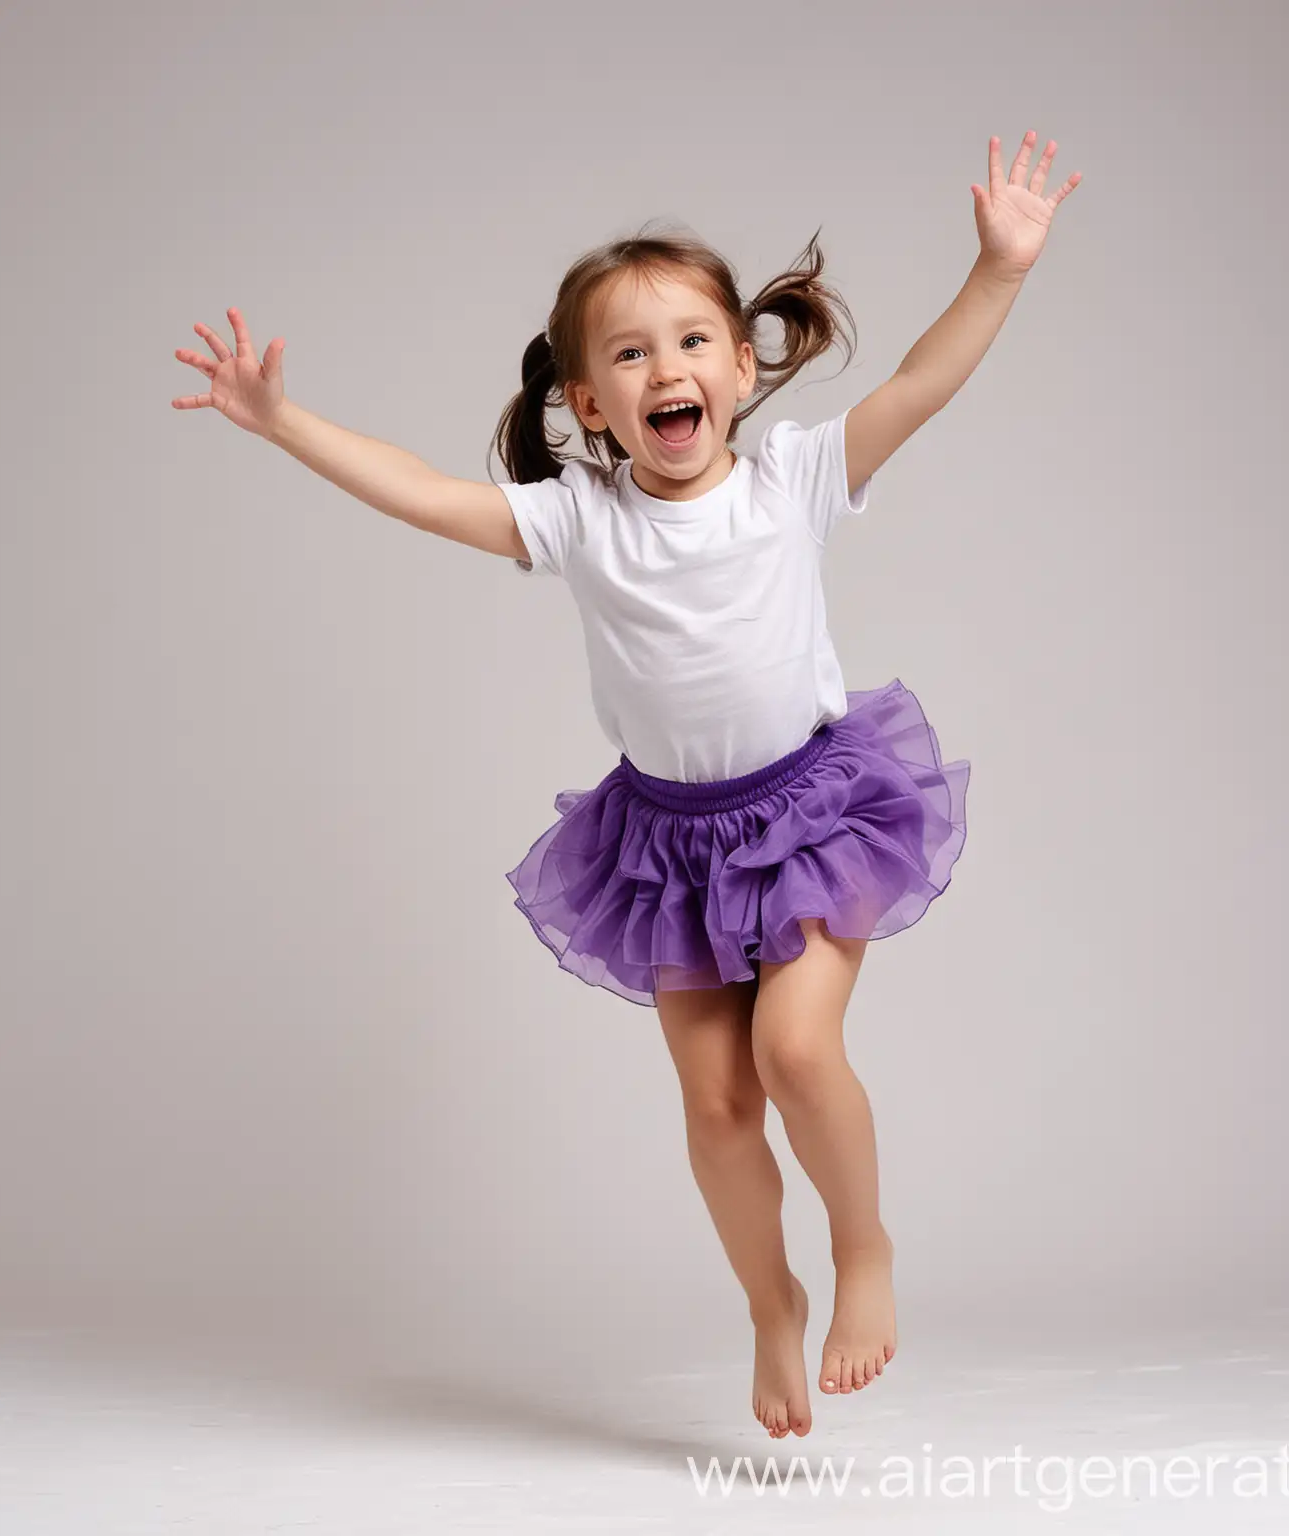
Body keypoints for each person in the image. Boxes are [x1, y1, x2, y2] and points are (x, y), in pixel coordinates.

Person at [172, 131, 1080, 1440]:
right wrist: (280, 421)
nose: (669, 368)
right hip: (670, 845)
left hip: (813, 812)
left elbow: (923, 383)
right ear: (590, 403)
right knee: (716, 1109)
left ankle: (863, 1248)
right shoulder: (579, 517)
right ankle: (769, 1302)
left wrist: (999, 270)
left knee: (793, 1046)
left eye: (693, 341)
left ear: (743, 364)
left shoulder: (791, 477)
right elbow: (425, 495)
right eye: (632, 352)